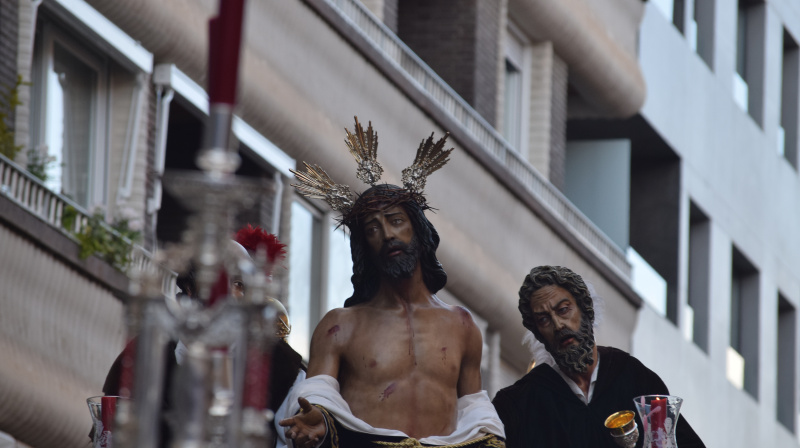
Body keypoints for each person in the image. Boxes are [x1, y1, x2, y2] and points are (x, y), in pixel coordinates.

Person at [279, 118, 504, 448]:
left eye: (396, 221)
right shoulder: (340, 326)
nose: (386, 234)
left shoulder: (461, 325)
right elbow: (318, 394)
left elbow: (474, 409)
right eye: (372, 229)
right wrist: (317, 418)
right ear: (363, 247)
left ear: (418, 230)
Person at [98, 226, 304, 447]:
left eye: (238, 285)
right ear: (188, 289)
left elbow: (297, 436)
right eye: (217, 283)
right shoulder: (144, 351)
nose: (229, 296)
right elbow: (108, 434)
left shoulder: (280, 364)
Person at [491, 265, 705, 448]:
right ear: (538, 333)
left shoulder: (634, 378)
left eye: (564, 310)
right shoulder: (519, 404)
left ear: (586, 310)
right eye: (544, 320)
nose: (558, 325)